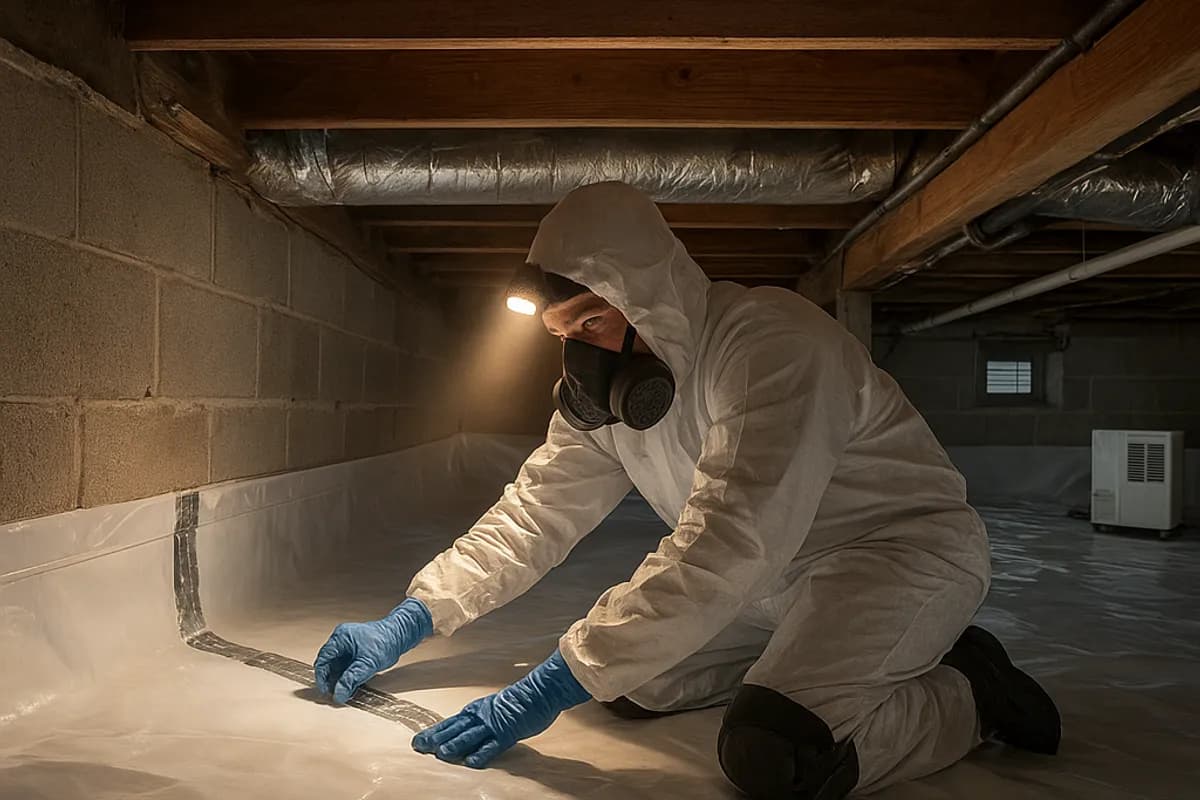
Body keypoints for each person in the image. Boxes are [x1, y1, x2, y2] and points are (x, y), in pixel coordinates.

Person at [313, 182, 1060, 798]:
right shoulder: (609, 401)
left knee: (777, 754)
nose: (580, 354)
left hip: (895, 560)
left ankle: (973, 691)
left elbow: (729, 541)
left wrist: (540, 690)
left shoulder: (771, 344)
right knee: (623, 684)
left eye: (594, 322)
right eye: (562, 333)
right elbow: (534, 513)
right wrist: (412, 617)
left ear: (650, 298)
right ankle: (799, 656)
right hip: (769, 584)